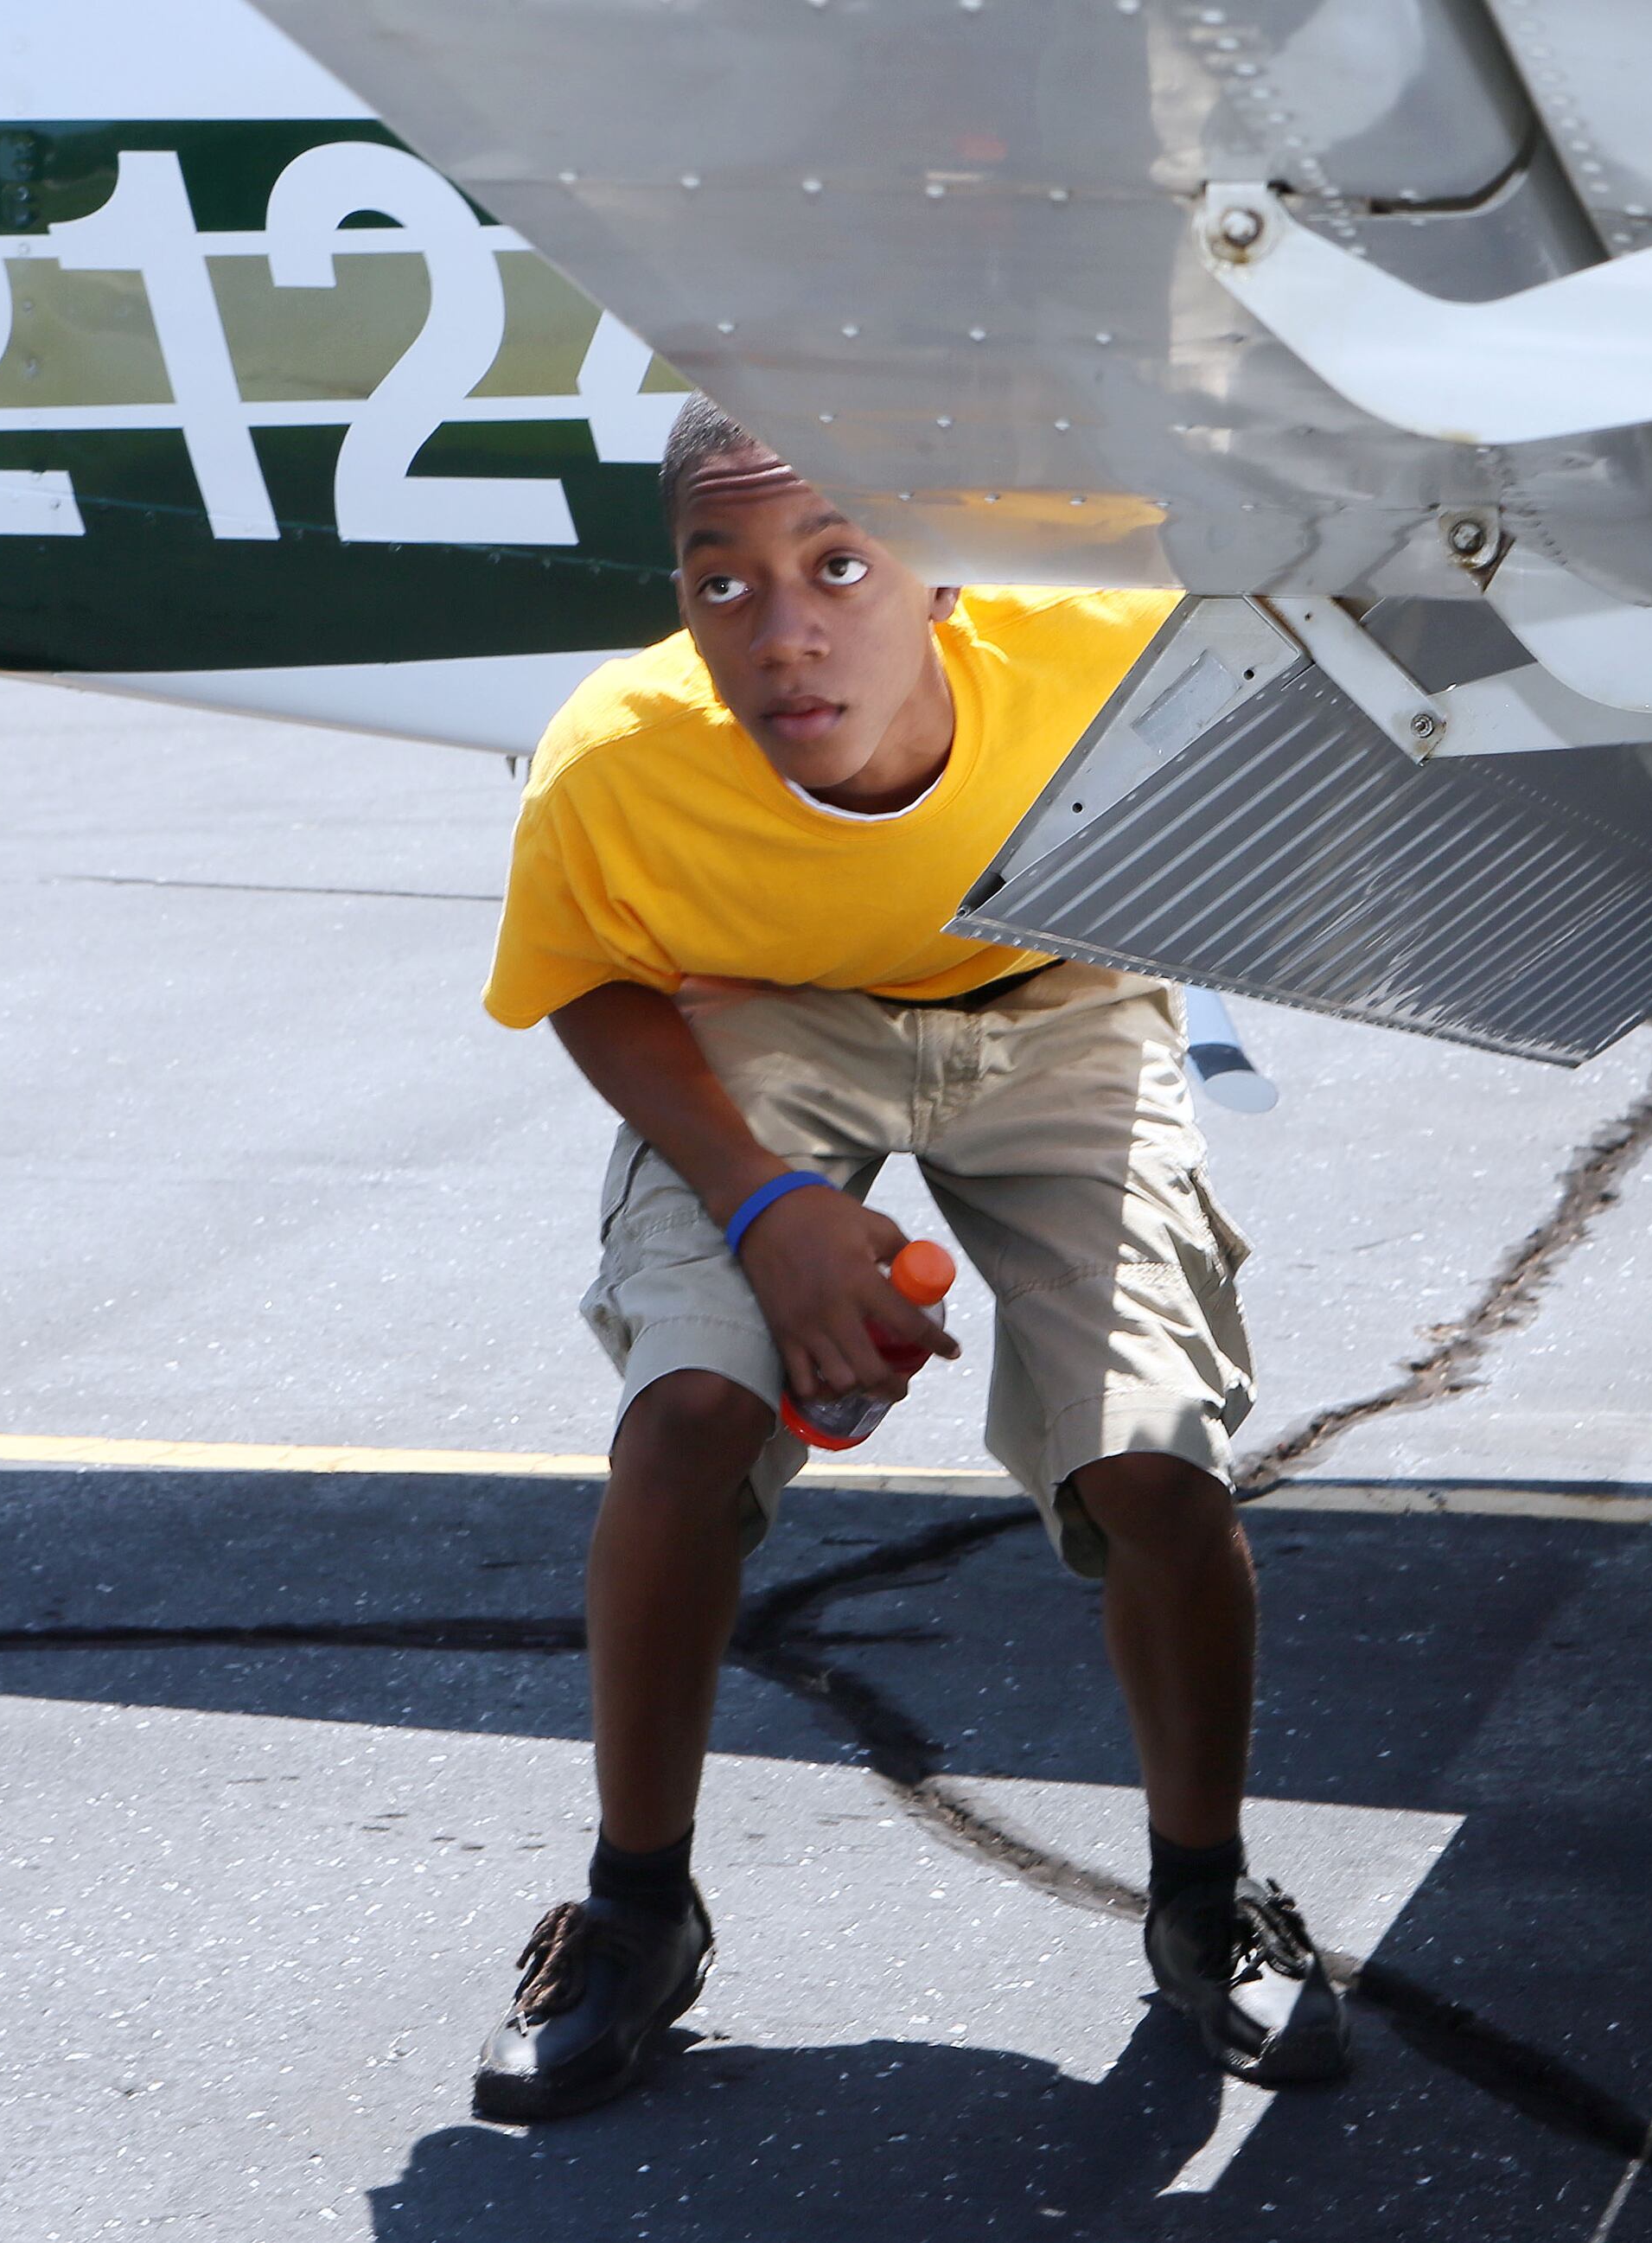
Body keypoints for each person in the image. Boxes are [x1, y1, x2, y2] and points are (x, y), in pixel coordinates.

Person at [464, 395, 1346, 2120]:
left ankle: (1202, 1892)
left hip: (1060, 984)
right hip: (767, 1011)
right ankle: (636, 1908)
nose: (780, 629)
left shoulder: (1105, 657)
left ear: (938, 580)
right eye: (722, 582)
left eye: (838, 563)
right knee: (689, 1416)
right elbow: (584, 975)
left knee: (1154, 1465)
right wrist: (764, 1207)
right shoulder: (619, 754)